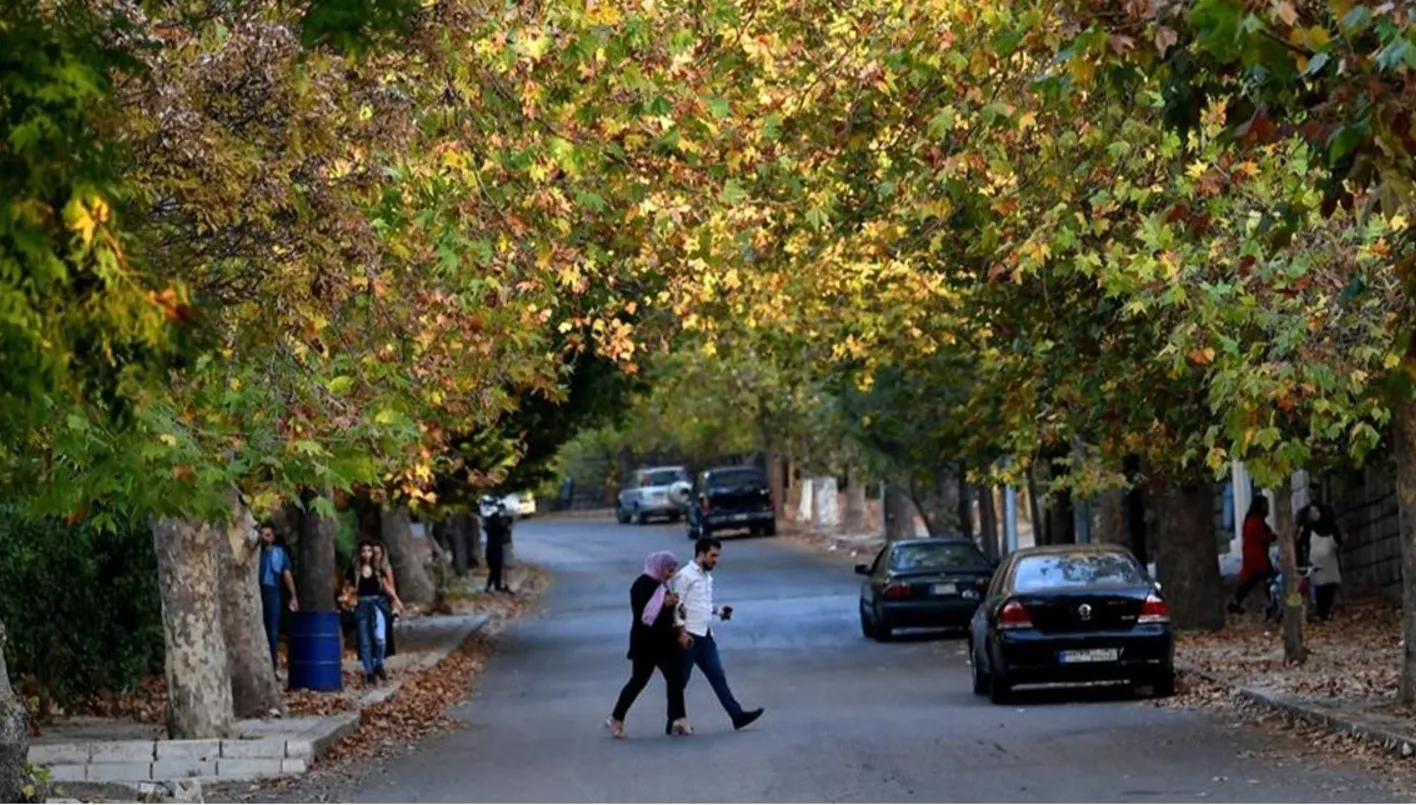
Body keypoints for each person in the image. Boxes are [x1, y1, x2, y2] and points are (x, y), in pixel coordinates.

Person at [670, 537, 764, 732]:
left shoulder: (706, 577)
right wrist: (681, 633)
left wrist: (719, 611)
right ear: (701, 554)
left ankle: (737, 716)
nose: (716, 560)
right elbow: (677, 606)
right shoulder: (684, 576)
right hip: (689, 637)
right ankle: (674, 719)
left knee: (717, 675)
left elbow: (702, 604)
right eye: (713, 556)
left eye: (717, 556)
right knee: (679, 681)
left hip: (705, 635)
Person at [606, 551, 692, 739]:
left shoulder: (662, 586)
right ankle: (616, 718)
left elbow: (668, 616)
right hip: (645, 643)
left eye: (673, 570)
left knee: (675, 678)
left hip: (665, 643)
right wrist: (664, 605)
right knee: (638, 681)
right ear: (659, 567)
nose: (671, 574)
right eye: (669, 570)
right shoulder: (641, 586)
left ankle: (678, 719)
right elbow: (645, 617)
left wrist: (679, 625)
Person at [348, 541, 402, 684]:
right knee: (364, 641)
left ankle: (378, 663)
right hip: (361, 604)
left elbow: (386, 586)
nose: (367, 554)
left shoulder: (377, 569)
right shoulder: (354, 570)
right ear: (360, 553)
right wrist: (349, 600)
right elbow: (347, 588)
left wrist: (396, 600)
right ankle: (369, 672)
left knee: (380, 638)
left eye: (369, 551)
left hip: (377, 604)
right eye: (364, 551)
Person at [258, 522, 298, 669]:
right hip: (257, 591)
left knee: (273, 630)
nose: (265, 538)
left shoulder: (279, 554)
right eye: (262, 535)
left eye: (268, 535)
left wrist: (293, 596)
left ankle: (273, 664)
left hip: (272, 592)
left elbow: (287, 575)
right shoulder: (255, 554)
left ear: (273, 537)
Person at [1229, 496, 1277, 614]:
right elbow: (1258, 537)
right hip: (1256, 557)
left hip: (1257, 556)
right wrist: (1270, 537)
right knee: (1267, 579)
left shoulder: (1254, 520)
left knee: (1251, 582)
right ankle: (1273, 603)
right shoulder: (1254, 521)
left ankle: (1235, 602)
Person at [1299, 502, 1343, 621]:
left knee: (1330, 586)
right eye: (1311, 512)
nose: (1314, 515)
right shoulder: (1308, 529)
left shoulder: (1331, 527)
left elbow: (1338, 541)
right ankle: (1320, 611)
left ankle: (1327, 610)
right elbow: (1304, 544)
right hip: (1315, 562)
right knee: (1319, 588)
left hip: (1330, 562)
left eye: (1316, 511)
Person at [370, 543, 403, 658]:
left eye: (378, 553)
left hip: (383, 600)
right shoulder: (367, 568)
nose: (376, 556)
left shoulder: (385, 568)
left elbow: (389, 586)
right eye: (373, 553)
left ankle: (384, 653)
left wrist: (395, 602)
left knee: (384, 627)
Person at [483, 501, 512, 593]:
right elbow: (503, 527)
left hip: (491, 548)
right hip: (495, 548)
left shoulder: (490, 527)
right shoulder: (497, 527)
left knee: (496, 568)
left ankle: (496, 586)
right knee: (495, 568)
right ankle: (490, 586)